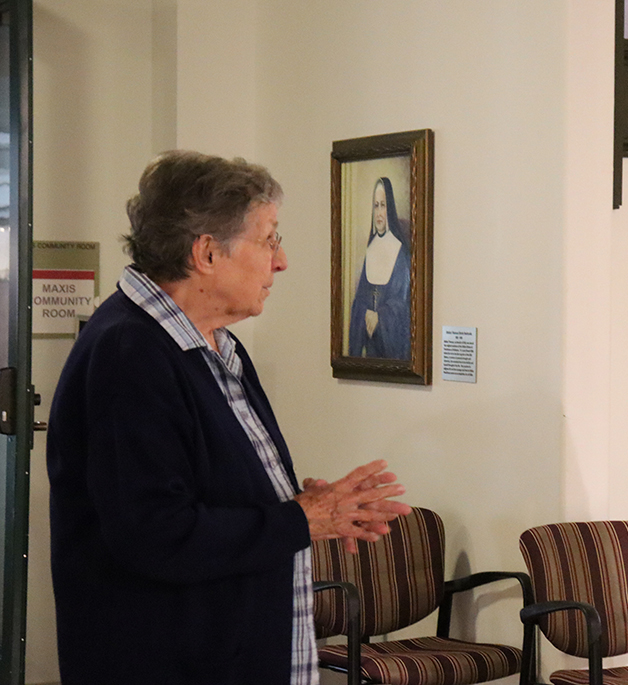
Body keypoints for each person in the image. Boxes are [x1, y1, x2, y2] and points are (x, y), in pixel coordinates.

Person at [47, 151, 412, 685]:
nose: (282, 261)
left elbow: (203, 491)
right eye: (269, 240)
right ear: (207, 254)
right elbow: (154, 535)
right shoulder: (130, 354)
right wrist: (301, 519)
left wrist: (299, 505)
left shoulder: (214, 344)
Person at [348, 176, 411, 360]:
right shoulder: (371, 248)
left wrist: (380, 318)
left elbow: (402, 305)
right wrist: (365, 313)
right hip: (371, 344)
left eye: (383, 205)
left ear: (389, 207)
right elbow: (360, 299)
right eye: (376, 206)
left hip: (390, 346)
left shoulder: (400, 252)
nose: (379, 213)